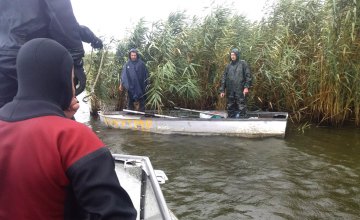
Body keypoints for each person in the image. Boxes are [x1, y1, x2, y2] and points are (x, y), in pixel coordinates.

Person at [0, 38, 137, 220]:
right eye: (72, 79)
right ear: (62, 80)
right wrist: (65, 123)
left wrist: (59, 116)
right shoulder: (73, 138)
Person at [0, 0, 103, 108]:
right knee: (55, 111)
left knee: (6, 113)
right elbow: (61, 13)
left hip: (4, 57)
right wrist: (76, 59)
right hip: (34, 56)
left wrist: (90, 37)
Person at [219, 48, 252, 118]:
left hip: (240, 89)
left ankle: (243, 121)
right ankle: (231, 121)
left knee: (241, 105)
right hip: (230, 89)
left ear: (237, 55)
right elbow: (224, 78)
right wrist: (222, 90)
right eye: (231, 55)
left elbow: (248, 76)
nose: (232, 56)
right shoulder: (228, 66)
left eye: (234, 55)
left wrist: (246, 87)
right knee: (230, 106)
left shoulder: (243, 63)